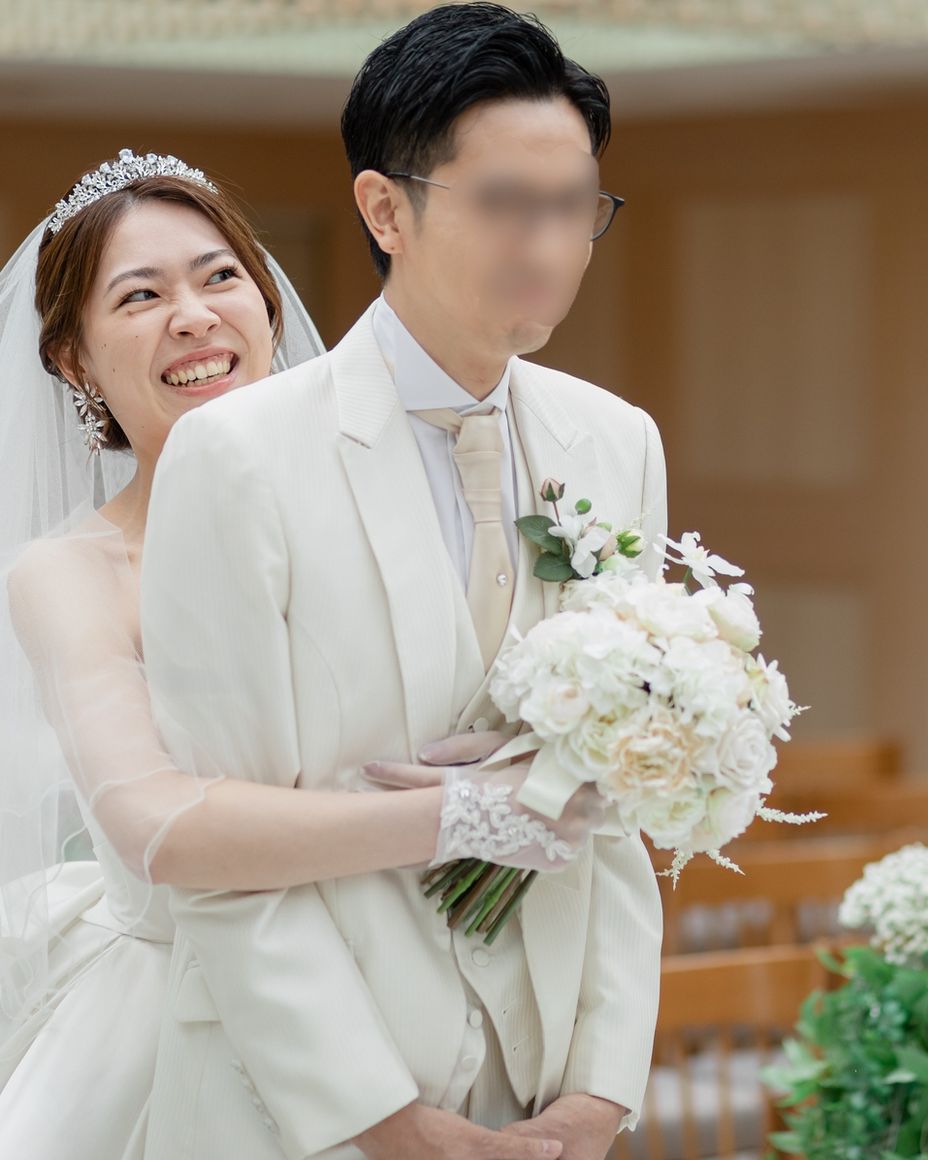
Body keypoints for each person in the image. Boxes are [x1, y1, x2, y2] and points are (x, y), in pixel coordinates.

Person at [139, 5, 668, 1159]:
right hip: (298, 1102)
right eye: (506, 203)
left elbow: (613, 804)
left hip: (541, 1092)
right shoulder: (237, 456)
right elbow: (221, 850)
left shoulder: (616, 441)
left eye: (575, 204)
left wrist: (600, 1090)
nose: (547, 244)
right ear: (386, 209)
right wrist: (383, 1119)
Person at [0, 147, 599, 1160]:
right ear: (72, 360)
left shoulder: (386, 505)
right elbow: (153, 820)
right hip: (180, 1024)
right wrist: (466, 815)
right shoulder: (68, 573)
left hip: (415, 995)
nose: (192, 315)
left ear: (268, 307)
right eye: (140, 296)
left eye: (218, 276)